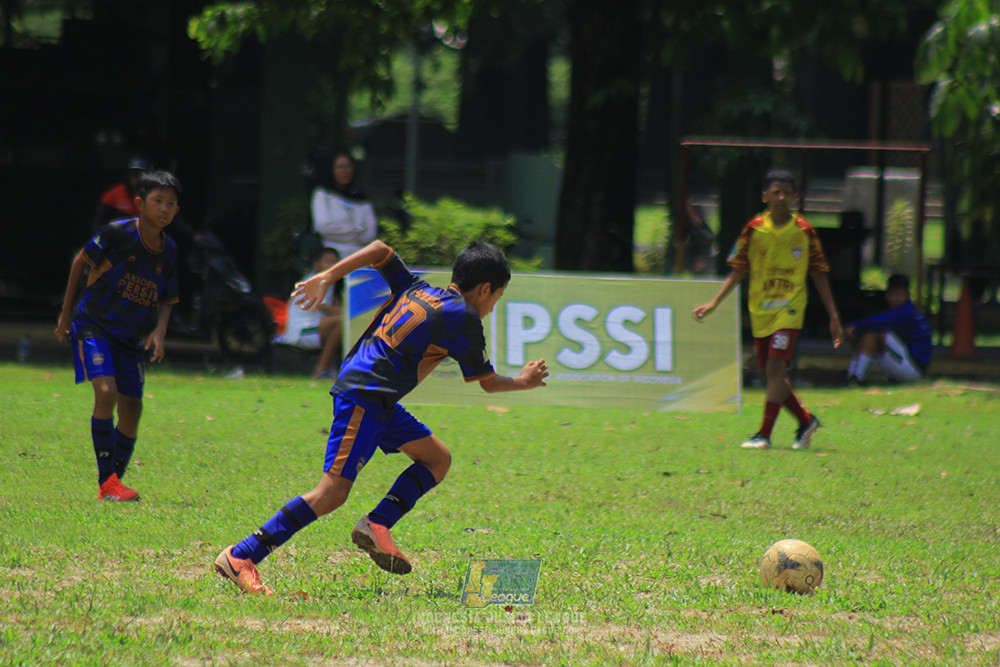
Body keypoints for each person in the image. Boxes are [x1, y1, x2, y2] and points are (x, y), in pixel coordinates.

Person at [213, 239, 549, 594]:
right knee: (331, 493)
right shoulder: (464, 316)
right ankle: (242, 555)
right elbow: (488, 383)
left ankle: (377, 523)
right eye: (496, 298)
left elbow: (379, 250)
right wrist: (524, 381)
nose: (492, 308)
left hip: (377, 396)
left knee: (437, 459)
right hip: (366, 395)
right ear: (484, 289)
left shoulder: (418, 288)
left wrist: (327, 275)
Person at [692, 169, 843, 451]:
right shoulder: (753, 229)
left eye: (787, 193)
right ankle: (806, 421)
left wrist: (834, 316)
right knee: (772, 377)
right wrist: (714, 303)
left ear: (795, 197)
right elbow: (738, 269)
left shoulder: (804, 231)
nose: (781, 197)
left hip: (790, 310)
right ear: (765, 196)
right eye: (776, 192)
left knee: (775, 369)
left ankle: (764, 434)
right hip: (761, 310)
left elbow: (819, 273)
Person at [55, 170, 182, 501]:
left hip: (130, 337)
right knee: (107, 392)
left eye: (171, 204)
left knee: (133, 409)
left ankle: (112, 483)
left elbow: (168, 297)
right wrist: (66, 313)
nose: (164, 209)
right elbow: (78, 263)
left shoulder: (169, 251)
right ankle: (108, 483)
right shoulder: (117, 233)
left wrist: (160, 330)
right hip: (94, 326)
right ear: (139, 204)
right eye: (158, 201)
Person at [844, 274, 932, 385]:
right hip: (905, 363)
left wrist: (855, 328)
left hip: (913, 369)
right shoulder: (903, 311)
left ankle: (856, 377)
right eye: (891, 294)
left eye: (899, 294)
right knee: (868, 334)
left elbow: (877, 322)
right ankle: (853, 376)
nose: (895, 298)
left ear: (907, 295)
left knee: (874, 333)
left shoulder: (907, 312)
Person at [273, 247, 343, 378]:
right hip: (300, 332)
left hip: (315, 328)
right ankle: (320, 370)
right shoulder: (314, 281)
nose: (333, 266)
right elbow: (326, 309)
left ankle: (330, 370)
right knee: (343, 321)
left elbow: (333, 307)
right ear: (317, 265)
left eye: (335, 262)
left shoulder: (330, 283)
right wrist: (355, 312)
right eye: (328, 261)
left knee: (341, 324)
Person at [311, 151, 377, 259]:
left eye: (348, 166)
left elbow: (370, 232)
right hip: (332, 258)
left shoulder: (362, 199)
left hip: (358, 258)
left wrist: (343, 232)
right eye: (340, 167)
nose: (344, 171)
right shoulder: (323, 195)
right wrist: (356, 231)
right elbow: (323, 227)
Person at [92, 157, 149, 235]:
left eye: (140, 175)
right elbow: (98, 222)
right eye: (134, 175)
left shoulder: (152, 196)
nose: (137, 179)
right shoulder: (114, 194)